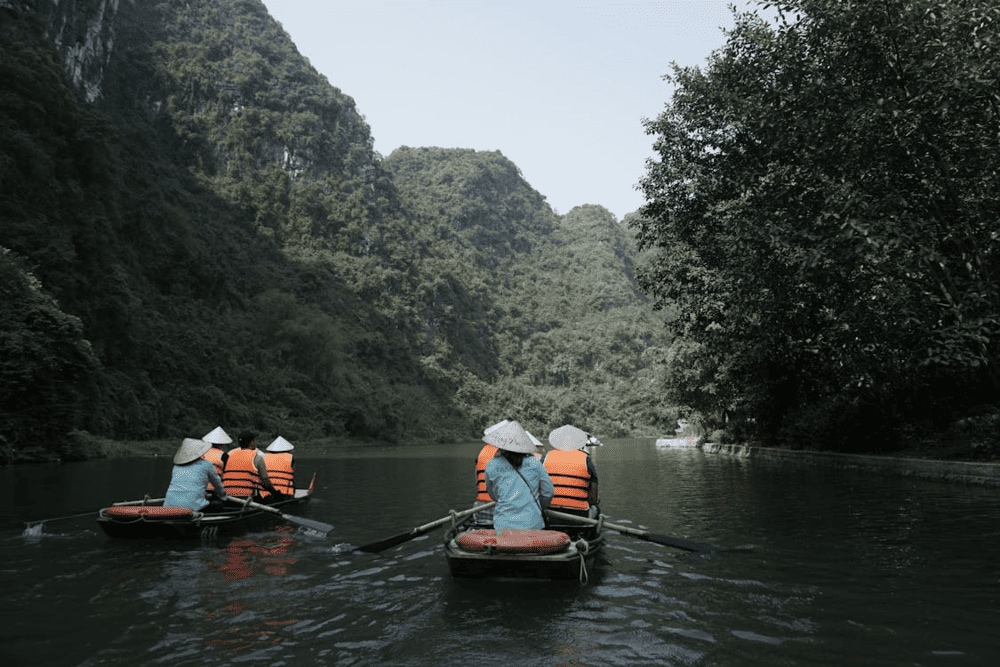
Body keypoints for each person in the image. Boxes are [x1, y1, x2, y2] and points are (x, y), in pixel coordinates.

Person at [483, 420, 554, 531]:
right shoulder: (534, 462)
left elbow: (493, 495)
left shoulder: (492, 464)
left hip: (503, 526)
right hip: (532, 524)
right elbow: (548, 492)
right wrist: (538, 507)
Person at [544, 424, 600, 518]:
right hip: (579, 513)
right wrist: (593, 503)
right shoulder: (585, 458)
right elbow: (594, 486)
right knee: (595, 508)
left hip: (550, 511)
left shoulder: (546, 457)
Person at [164, 438, 227, 511]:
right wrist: (223, 497)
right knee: (219, 505)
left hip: (168, 506)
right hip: (194, 507)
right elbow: (218, 484)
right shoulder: (206, 464)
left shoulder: (176, 467)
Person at [222, 430, 280, 500]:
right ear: (252, 443)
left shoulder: (229, 455)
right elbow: (266, 482)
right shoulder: (257, 457)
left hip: (228, 496)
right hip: (247, 498)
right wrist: (275, 492)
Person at [473, 419, 509, 525]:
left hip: (479, 505)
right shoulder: (505, 452)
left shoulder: (482, 453)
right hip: (501, 507)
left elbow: (476, 481)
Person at [261, 435, 295, 500]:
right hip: (285, 495)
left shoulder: (264, 457)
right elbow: (292, 474)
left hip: (266, 495)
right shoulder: (290, 457)